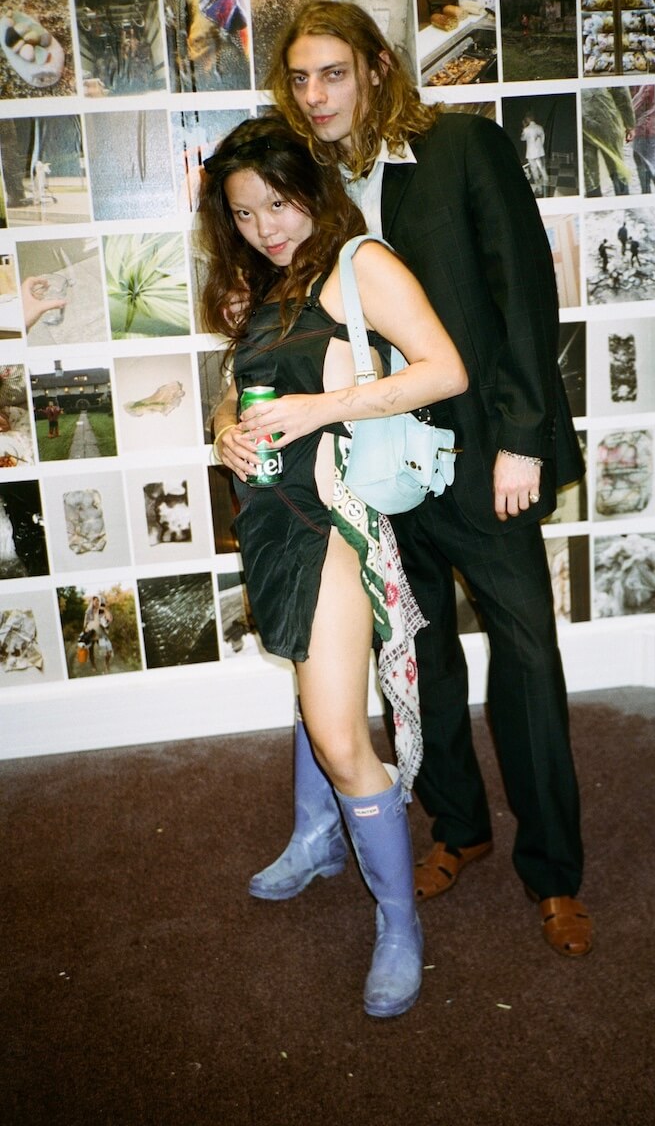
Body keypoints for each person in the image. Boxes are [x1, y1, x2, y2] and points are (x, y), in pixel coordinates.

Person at [268, 0, 592, 959]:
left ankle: (554, 874)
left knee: (526, 654)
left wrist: (523, 439)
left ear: (376, 67)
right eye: (300, 78)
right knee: (419, 655)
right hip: (373, 463)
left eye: (333, 72)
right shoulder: (308, 185)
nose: (316, 94)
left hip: (485, 453)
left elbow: (524, 295)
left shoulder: (461, 149)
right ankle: (459, 828)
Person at [198, 112, 467, 1018]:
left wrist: (323, 408)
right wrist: (225, 433)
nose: (264, 228)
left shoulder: (363, 264)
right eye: (244, 215)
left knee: (344, 736)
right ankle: (316, 838)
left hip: (334, 525)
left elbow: (445, 371)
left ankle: (399, 925)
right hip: (271, 522)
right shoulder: (263, 285)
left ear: (312, 190)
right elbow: (236, 395)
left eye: (277, 205)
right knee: (316, 690)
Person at [520, 113, 548, 196]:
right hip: (540, 151)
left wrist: (524, 128)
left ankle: (539, 188)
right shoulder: (540, 127)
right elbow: (543, 138)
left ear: (528, 119)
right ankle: (546, 184)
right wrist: (540, 146)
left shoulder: (526, 129)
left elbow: (522, 138)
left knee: (534, 170)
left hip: (531, 153)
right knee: (542, 168)